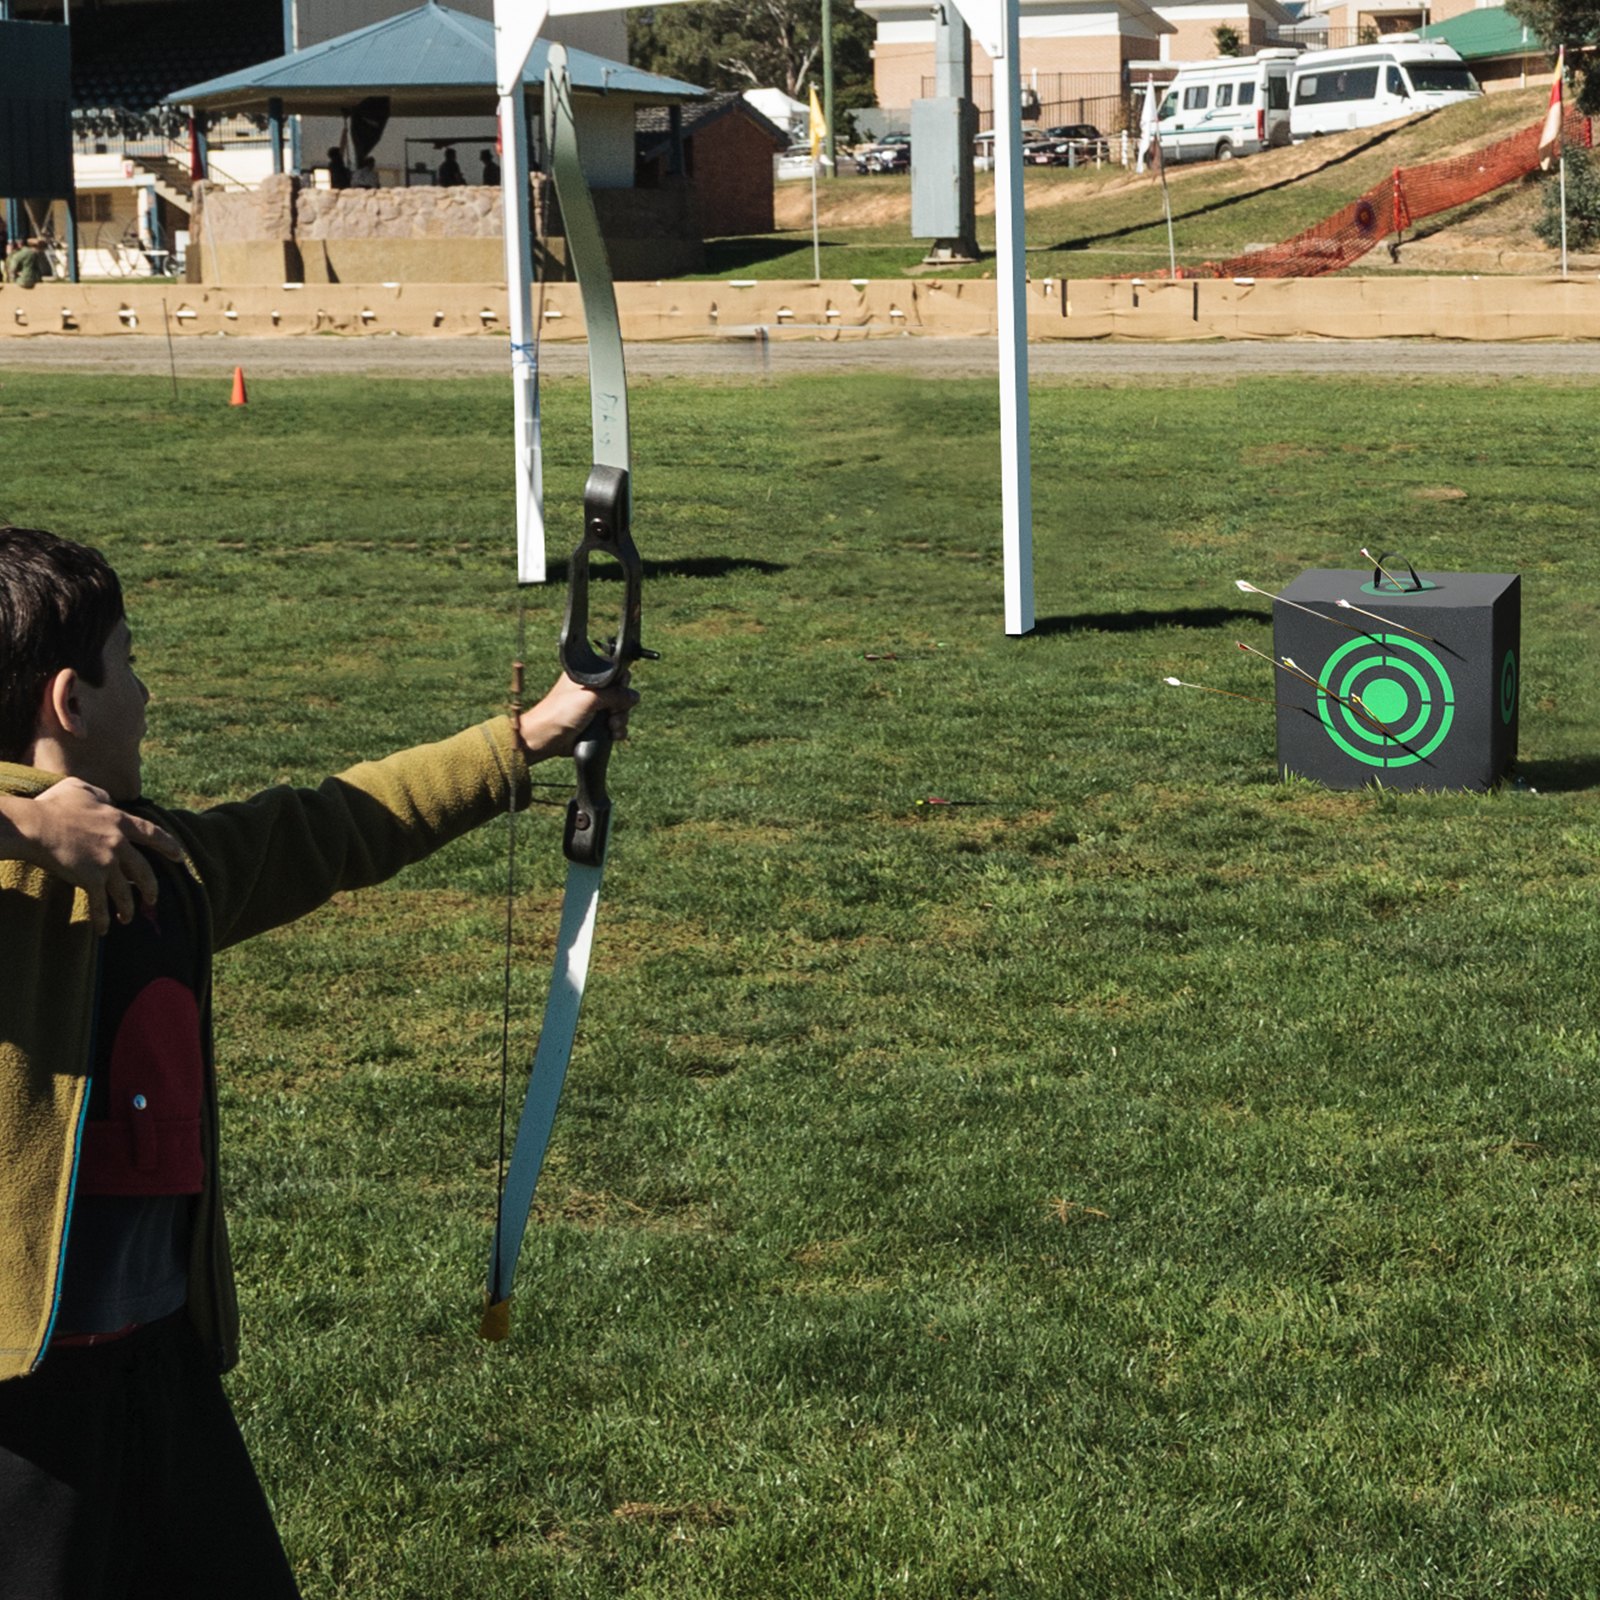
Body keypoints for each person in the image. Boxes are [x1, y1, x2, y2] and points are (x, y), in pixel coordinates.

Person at [0, 524, 637, 1597]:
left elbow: (329, 828)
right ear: (71, 698)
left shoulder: (161, 862)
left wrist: (525, 737)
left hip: (156, 1362)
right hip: (21, 1400)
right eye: (133, 661)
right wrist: (22, 827)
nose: (148, 692)